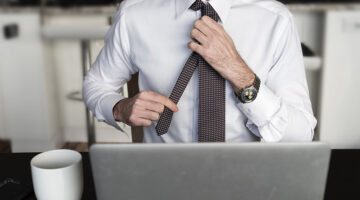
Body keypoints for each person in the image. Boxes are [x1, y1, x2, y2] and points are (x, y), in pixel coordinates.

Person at [82, 0, 317, 143]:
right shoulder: (134, 14)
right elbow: (96, 84)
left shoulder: (274, 20)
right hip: (160, 175)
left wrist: (240, 73)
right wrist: (119, 108)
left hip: (242, 177)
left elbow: (300, 134)